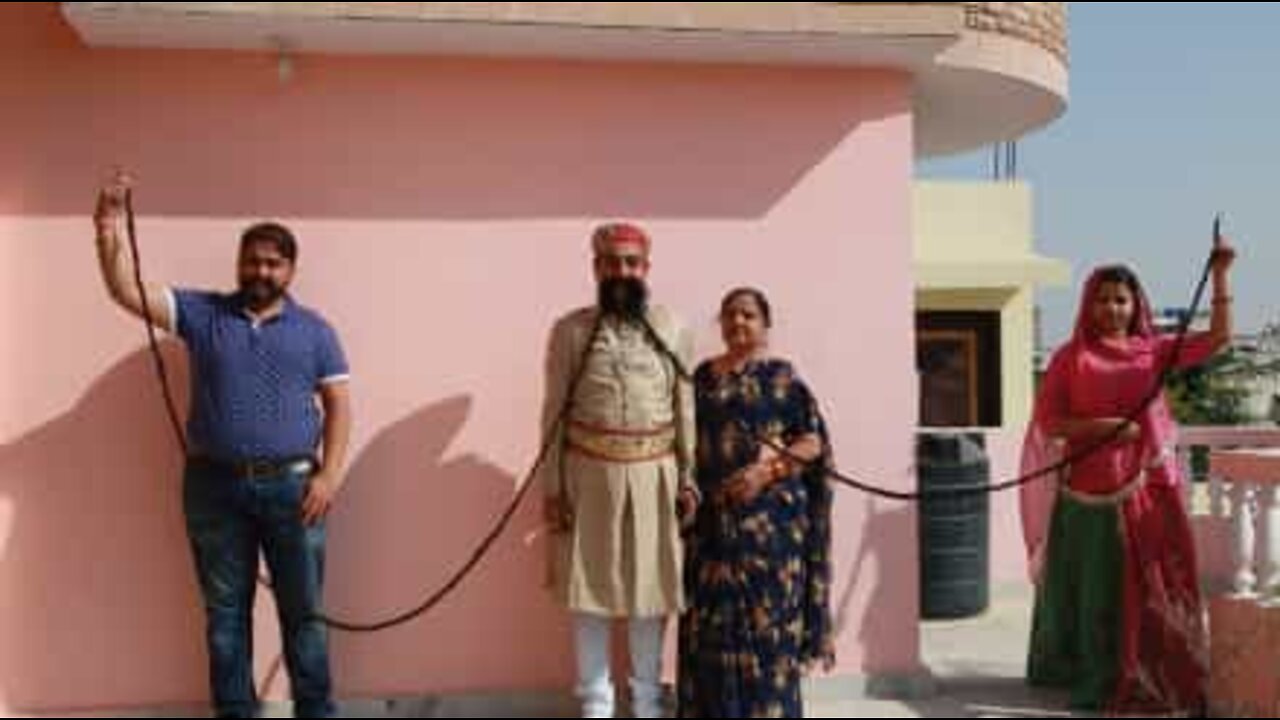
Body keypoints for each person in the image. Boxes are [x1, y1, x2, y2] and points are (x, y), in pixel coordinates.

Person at [93, 170, 351, 718]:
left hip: (295, 492)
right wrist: (108, 224)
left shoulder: (316, 331)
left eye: (273, 262)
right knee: (226, 618)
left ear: (291, 269)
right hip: (214, 489)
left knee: (303, 617)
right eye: (252, 260)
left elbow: (339, 407)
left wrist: (329, 476)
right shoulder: (203, 314)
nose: (261, 270)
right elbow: (124, 288)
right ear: (239, 264)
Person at [1019, 240, 1235, 714]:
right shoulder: (1069, 358)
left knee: (1155, 588)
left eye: (1120, 298)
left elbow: (1217, 340)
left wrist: (1220, 275)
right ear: (1087, 304)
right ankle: (1094, 678)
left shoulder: (1152, 351)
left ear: (1136, 304)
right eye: (1102, 298)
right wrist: (1105, 429)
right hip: (1087, 496)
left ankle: (1152, 676)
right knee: (1097, 594)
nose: (1111, 308)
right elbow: (1050, 421)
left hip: (1148, 490)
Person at [537, 221, 699, 718]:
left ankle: (648, 700)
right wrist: (553, 488)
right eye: (611, 262)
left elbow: (685, 406)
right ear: (596, 267)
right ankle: (596, 702)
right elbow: (553, 410)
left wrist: (689, 477)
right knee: (590, 593)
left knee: (650, 593)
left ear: (646, 268)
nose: (621, 271)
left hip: (656, 477)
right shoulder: (571, 330)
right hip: (587, 478)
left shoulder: (673, 328)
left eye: (631, 263)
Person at [677, 287, 834, 719]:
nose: (737, 323)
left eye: (748, 315)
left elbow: (812, 442)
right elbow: (684, 445)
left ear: (766, 325)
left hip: (772, 539)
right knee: (709, 637)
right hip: (712, 533)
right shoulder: (702, 380)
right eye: (729, 315)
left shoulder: (782, 379)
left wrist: (766, 472)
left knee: (769, 639)